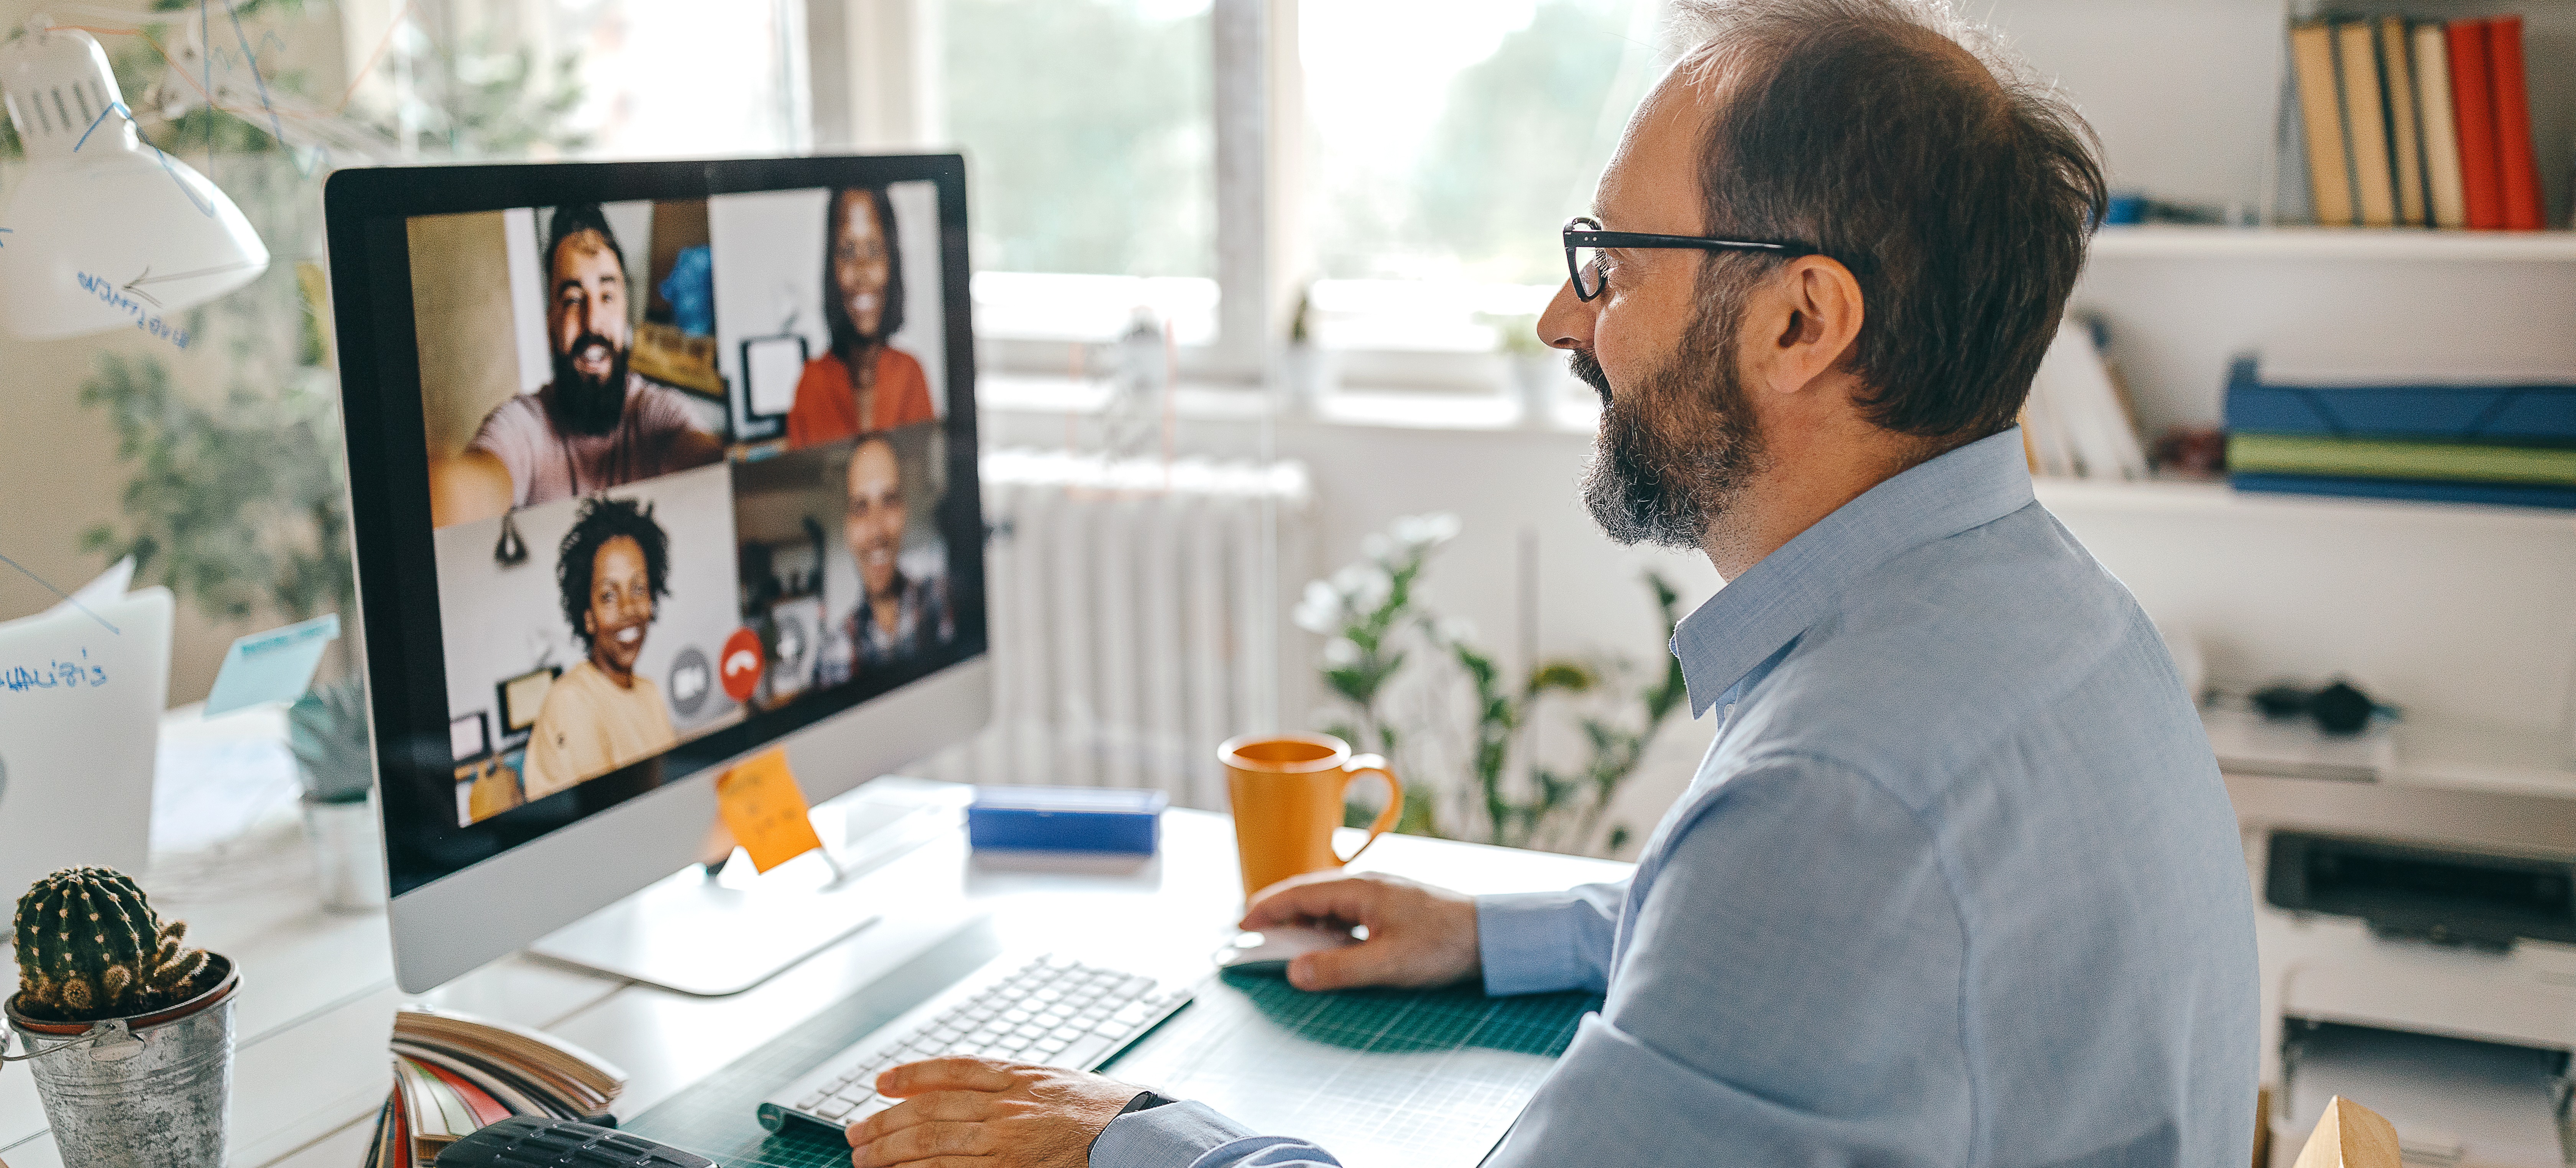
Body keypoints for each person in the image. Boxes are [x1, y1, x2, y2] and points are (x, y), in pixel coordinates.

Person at [840, 2, 2260, 1166]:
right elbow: (1826, 959)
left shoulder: (1838, 787)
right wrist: (1499, 928)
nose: (1558, 319)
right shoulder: (2048, 616)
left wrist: (1127, 1144)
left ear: (1797, 318)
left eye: (1607, 263)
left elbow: (1825, 880)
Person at [430, 204, 724, 528]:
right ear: (550, 325)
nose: (593, 321)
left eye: (608, 296)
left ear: (626, 312)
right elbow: (467, 488)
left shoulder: (658, 413)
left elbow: (704, 460)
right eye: (572, 299)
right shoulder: (524, 428)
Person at [522, 497, 680, 801]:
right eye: (609, 595)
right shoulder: (571, 702)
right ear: (589, 618)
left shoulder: (649, 693)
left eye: (638, 589)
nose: (628, 608)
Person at [785, 187, 937, 448]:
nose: (862, 271)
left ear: (892, 263)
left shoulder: (910, 375)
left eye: (874, 250)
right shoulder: (811, 384)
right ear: (832, 268)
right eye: (848, 252)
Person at [818, 433, 952, 685]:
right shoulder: (834, 651)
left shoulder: (945, 604)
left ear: (904, 511)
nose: (877, 531)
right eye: (861, 508)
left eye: (889, 502)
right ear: (848, 527)